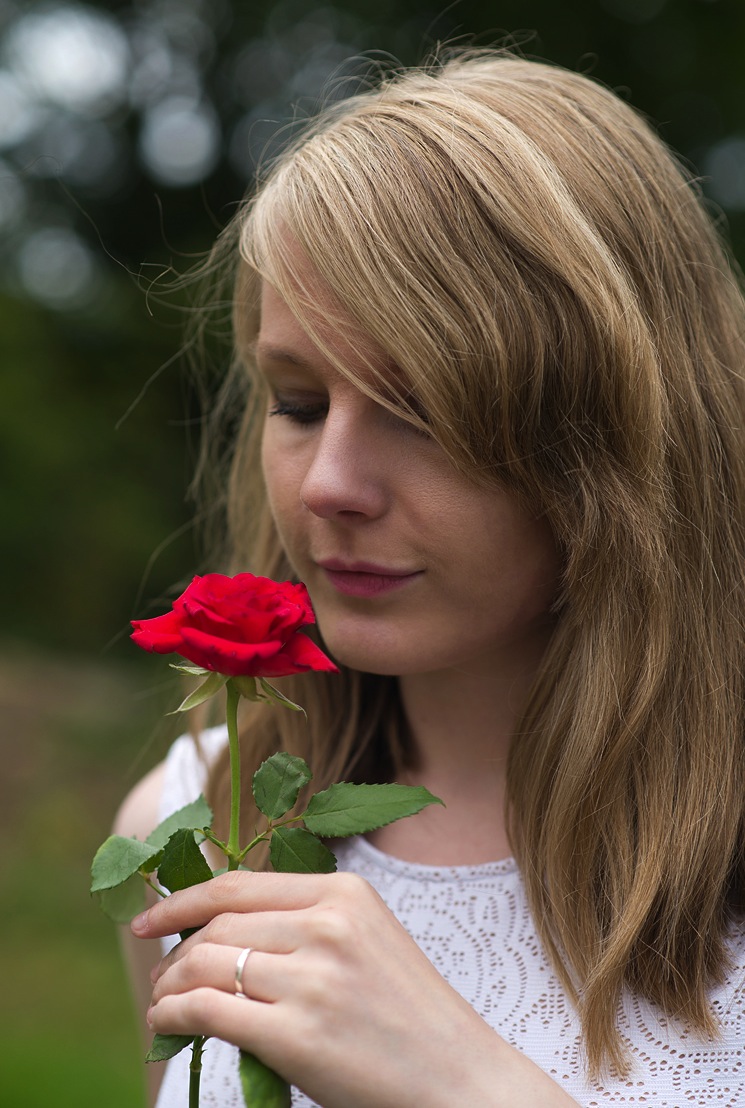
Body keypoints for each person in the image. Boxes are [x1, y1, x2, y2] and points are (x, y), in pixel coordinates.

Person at [115, 50, 745, 1107]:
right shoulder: (193, 823)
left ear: (618, 438)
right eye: (300, 401)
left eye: (423, 410)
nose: (330, 485)